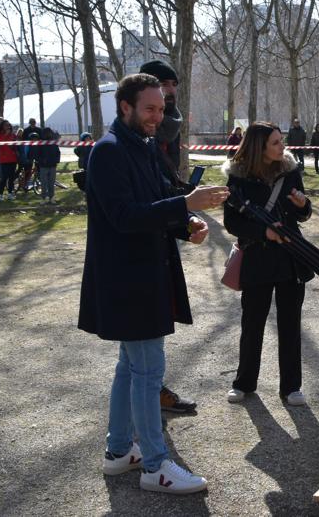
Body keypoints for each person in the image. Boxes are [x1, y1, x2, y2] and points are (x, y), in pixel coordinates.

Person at [78, 73, 230, 495]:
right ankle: (156, 466)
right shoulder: (107, 152)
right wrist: (184, 204)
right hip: (127, 280)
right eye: (150, 108)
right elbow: (125, 216)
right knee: (147, 371)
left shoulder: (142, 147)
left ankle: (118, 452)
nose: (157, 116)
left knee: (131, 368)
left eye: (161, 108)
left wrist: (187, 225)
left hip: (145, 273)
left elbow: (153, 205)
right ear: (124, 107)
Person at [221, 122, 314, 407]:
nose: (281, 146)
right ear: (258, 147)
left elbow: (304, 214)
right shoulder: (238, 178)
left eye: (281, 140)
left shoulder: (290, 172)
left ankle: (291, 387)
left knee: (290, 324)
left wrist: (302, 205)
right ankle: (244, 383)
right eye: (275, 142)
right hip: (257, 258)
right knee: (252, 323)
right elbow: (231, 222)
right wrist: (263, 232)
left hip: (290, 258)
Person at [138, 59, 200, 415]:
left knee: (155, 325)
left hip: (162, 229)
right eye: (163, 85)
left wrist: (184, 215)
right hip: (143, 241)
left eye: (174, 85)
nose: (171, 91)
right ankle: (145, 407)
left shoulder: (165, 129)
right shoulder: (131, 143)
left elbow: (166, 184)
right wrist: (182, 207)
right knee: (142, 337)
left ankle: (151, 394)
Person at [33, 127, 61, 204]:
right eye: (47, 133)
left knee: (51, 183)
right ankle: (43, 198)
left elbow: (58, 153)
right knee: (44, 183)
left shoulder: (53, 143)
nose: (49, 134)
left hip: (52, 165)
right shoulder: (40, 143)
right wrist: (42, 161)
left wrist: (56, 161)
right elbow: (37, 155)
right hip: (43, 166)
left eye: (50, 132)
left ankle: (51, 197)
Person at [0, 120, 19, 200]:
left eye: (8, 125)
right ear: (2, 126)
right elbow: (0, 145)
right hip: (4, 159)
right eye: (6, 125)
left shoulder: (13, 135)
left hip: (13, 159)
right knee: (4, 177)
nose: (8, 126)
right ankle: (1, 194)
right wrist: (6, 135)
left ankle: (10, 193)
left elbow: (15, 145)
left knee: (11, 177)